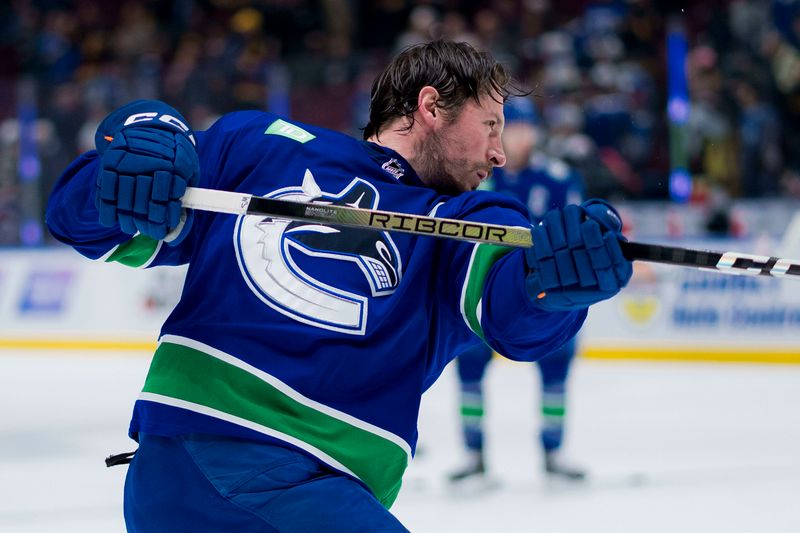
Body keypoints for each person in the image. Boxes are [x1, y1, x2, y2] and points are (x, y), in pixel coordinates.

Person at [45, 40, 632, 532]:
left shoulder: (471, 220)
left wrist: (551, 282)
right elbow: (86, 222)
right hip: (228, 454)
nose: (500, 153)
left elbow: (511, 315)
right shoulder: (261, 144)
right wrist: (126, 164)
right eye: (490, 125)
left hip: (309, 486)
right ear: (431, 106)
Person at [449, 96, 589, 488]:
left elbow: (575, 234)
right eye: (511, 128)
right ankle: (474, 454)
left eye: (526, 129)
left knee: (557, 367)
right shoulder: (480, 174)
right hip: (485, 291)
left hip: (545, 292)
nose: (519, 137)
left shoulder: (558, 178)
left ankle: (553, 451)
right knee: (470, 367)